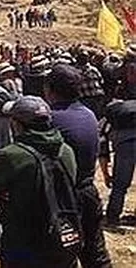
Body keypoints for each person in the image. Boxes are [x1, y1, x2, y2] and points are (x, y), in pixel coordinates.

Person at [0, 96, 79, 268]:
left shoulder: (11, 155)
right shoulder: (66, 150)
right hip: (61, 233)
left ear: (17, 124)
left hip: (22, 238)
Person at [44, 64, 112, 268]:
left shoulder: (49, 118)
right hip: (88, 192)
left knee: (60, 256)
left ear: (49, 89)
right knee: (95, 253)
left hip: (61, 199)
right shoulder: (88, 115)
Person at [102, 81, 136, 226]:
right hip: (126, 139)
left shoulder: (112, 111)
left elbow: (102, 143)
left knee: (120, 184)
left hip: (125, 144)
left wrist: (105, 174)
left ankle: (113, 217)